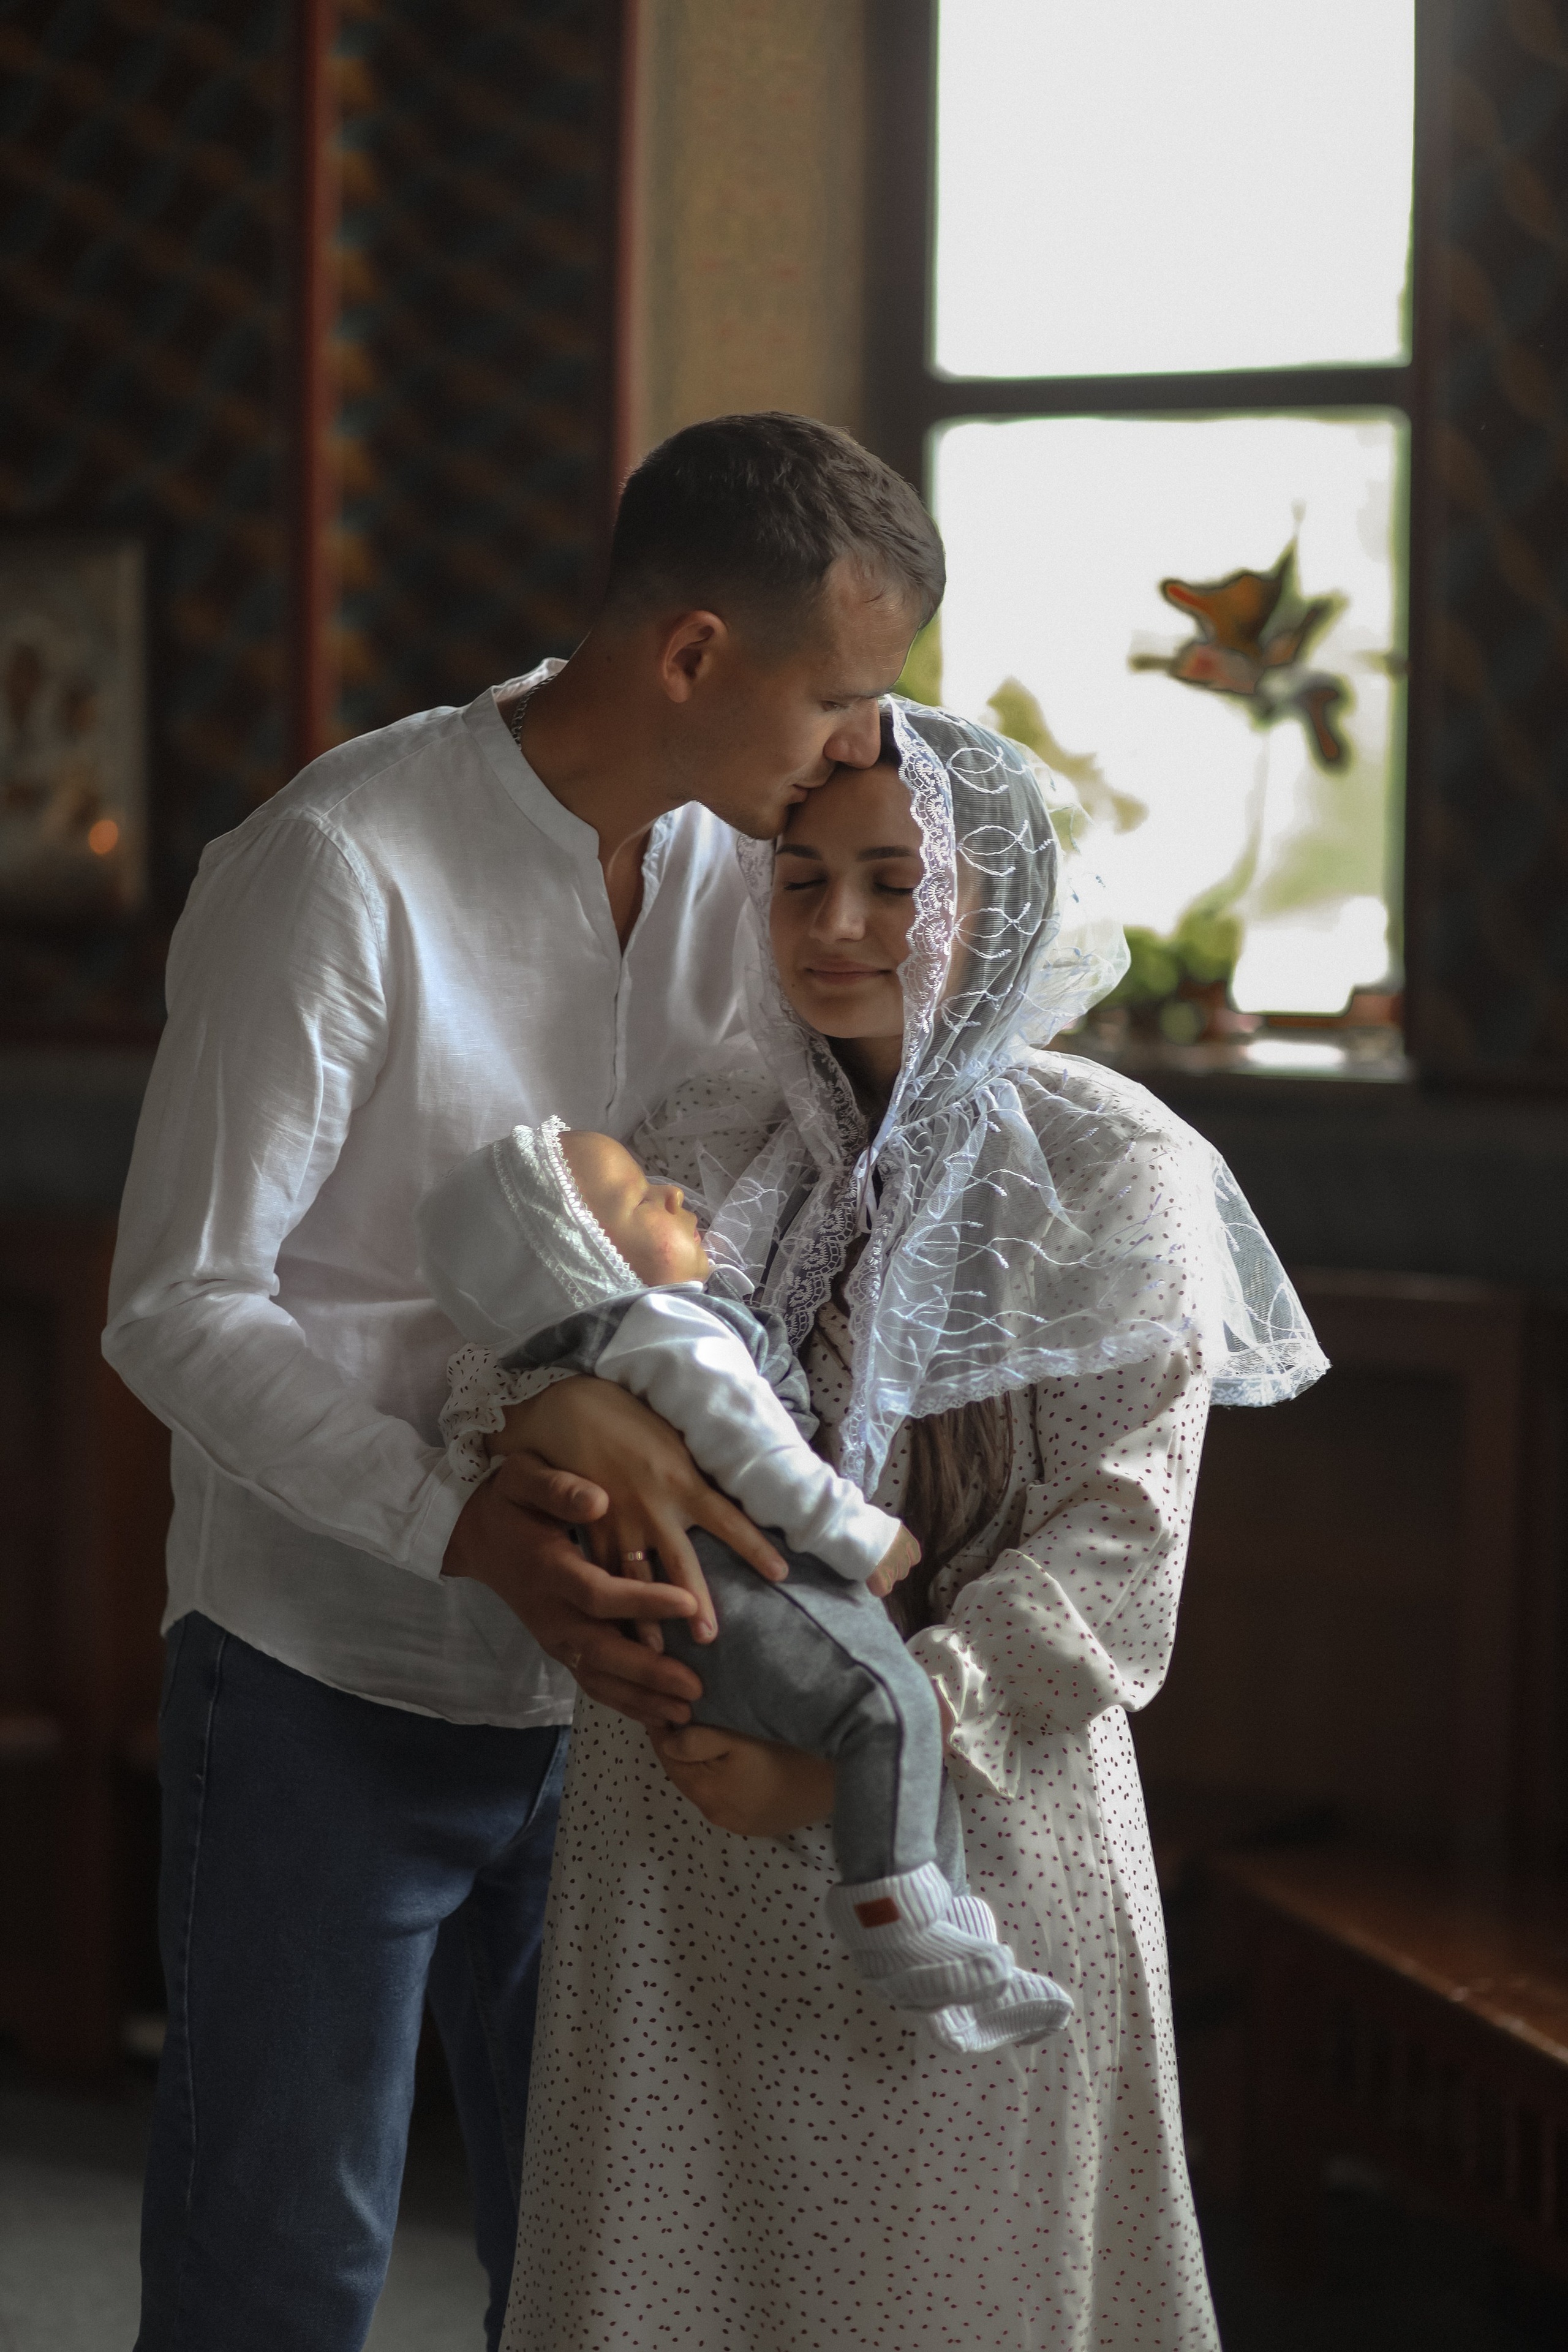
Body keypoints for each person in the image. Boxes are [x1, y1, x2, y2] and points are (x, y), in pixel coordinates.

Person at [100, 412, 943, 2351]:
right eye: (841, 693)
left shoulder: (751, 885)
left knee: (603, 2276)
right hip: (321, 1672)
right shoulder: (334, 868)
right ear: (693, 658)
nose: (855, 748)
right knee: (275, 2275)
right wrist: (458, 1528)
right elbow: (175, 1300)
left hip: (629, 1705)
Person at [494, 703, 1327, 2350]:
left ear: (997, 900)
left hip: (983, 1828)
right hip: (683, 1847)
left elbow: (1113, 1552)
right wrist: (561, 1423)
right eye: (802, 882)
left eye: (893, 881)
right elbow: (505, 1373)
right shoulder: (695, 1143)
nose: (839, 928)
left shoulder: (1115, 1167)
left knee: (956, 2294)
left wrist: (873, 1743)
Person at [416, 1114, 1071, 2049]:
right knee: (890, 1704)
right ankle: (897, 1920)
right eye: (643, 1197)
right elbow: (758, 1452)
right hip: (745, 1595)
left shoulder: (577, 1366)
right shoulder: (666, 1328)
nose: (679, 1194)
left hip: (697, 1624)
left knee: (895, 1715)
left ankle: (950, 1930)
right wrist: (859, 1534)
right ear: (574, 1260)